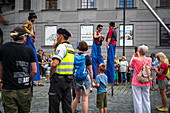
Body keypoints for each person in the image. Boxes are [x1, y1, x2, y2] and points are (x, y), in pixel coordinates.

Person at [0, 26, 37, 113]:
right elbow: (34, 70)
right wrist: (28, 80)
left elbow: (0, 67)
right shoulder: (29, 50)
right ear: (24, 37)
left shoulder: (3, 48)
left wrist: (1, 80)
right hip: (24, 88)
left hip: (8, 88)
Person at [49, 28, 75, 113]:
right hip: (68, 80)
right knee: (67, 106)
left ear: (61, 36)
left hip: (58, 80)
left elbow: (54, 64)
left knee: (54, 105)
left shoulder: (61, 47)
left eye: (57, 36)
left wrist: (51, 75)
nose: (56, 38)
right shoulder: (70, 48)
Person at [72, 41, 93, 113]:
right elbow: (90, 70)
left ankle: (72, 111)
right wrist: (92, 81)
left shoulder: (74, 56)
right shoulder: (87, 57)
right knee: (85, 98)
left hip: (76, 79)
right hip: (85, 79)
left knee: (77, 97)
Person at [130, 44, 152, 113]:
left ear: (138, 51)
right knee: (146, 99)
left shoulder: (135, 59)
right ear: (146, 52)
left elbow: (131, 64)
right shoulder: (149, 59)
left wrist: (134, 55)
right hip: (146, 81)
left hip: (137, 81)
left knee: (137, 100)